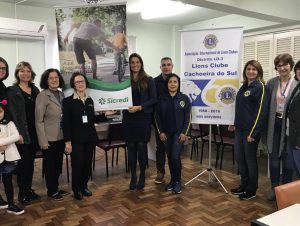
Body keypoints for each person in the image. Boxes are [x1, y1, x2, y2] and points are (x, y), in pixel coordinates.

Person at [62, 72, 114, 200]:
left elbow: (92, 119)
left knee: (87, 164)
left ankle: (84, 186)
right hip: (76, 139)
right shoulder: (68, 101)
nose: (80, 84)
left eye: (82, 81)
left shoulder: (90, 100)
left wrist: (105, 115)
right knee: (78, 164)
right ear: (73, 85)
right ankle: (76, 189)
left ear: (86, 83)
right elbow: (66, 123)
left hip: (90, 138)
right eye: (77, 82)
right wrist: (67, 141)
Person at [229, 60, 268, 200]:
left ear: (258, 72)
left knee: (250, 159)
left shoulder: (260, 87)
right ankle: (244, 184)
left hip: (250, 131)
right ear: (245, 71)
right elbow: (240, 108)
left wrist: (254, 132)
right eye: (248, 69)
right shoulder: (244, 86)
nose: (250, 71)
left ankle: (252, 189)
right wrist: (234, 123)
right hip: (239, 128)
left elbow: (261, 112)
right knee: (240, 158)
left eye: (254, 69)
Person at [264, 53, 298, 201]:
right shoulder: (271, 83)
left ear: (290, 65)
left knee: (288, 158)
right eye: (279, 65)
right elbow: (264, 106)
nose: (282, 68)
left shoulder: (297, 83)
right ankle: (274, 187)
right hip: (274, 124)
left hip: (291, 125)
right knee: (273, 156)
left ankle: (286, 189)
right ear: (276, 67)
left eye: (285, 64)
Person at [7, 61, 40, 205]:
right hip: (22, 134)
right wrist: (18, 134)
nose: (25, 73)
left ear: (31, 74)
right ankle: (23, 193)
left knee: (30, 163)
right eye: (22, 71)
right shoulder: (12, 91)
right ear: (17, 73)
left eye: (28, 71)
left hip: (35, 132)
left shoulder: (35, 89)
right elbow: (13, 115)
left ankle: (28, 189)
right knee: (23, 165)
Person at [123, 53, 157, 190]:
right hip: (128, 117)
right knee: (131, 147)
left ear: (141, 64)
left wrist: (140, 107)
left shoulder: (149, 80)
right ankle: (133, 176)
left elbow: (154, 99)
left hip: (143, 117)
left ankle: (142, 175)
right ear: (129, 65)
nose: (135, 64)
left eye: (137, 62)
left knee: (142, 147)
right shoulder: (124, 80)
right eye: (132, 62)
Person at [154, 73, 191, 194]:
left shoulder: (184, 99)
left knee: (175, 157)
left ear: (178, 84)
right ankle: (172, 180)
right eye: (170, 82)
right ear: (167, 84)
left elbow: (188, 117)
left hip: (178, 134)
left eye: (175, 82)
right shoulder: (161, 99)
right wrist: (161, 132)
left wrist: (184, 133)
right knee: (170, 157)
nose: (172, 84)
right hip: (166, 134)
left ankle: (178, 181)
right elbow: (157, 117)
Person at [35, 68, 69, 201]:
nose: (54, 80)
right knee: (50, 166)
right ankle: (52, 190)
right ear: (46, 81)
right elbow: (38, 121)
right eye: (51, 78)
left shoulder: (62, 95)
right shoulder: (42, 96)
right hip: (48, 139)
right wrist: (42, 141)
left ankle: (55, 187)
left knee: (58, 164)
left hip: (61, 137)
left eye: (56, 77)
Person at [0, 99, 24, 215]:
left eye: (0, 112)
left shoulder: (9, 123)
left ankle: (11, 204)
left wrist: (1, 142)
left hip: (8, 158)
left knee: (8, 181)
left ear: (4, 111)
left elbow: (16, 137)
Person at [154, 57, 174, 184]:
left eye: (168, 64)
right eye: (163, 65)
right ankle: (160, 172)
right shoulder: (154, 81)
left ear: (172, 66)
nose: (166, 67)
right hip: (160, 120)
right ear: (160, 67)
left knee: (174, 148)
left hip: (174, 120)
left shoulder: (176, 80)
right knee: (160, 147)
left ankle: (175, 172)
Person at [285, 60, 300, 178]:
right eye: (298, 69)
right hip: (291, 135)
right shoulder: (297, 87)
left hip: (298, 139)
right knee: (296, 169)